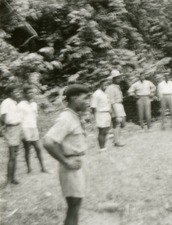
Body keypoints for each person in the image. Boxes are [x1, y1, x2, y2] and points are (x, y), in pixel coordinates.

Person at [43, 84, 89, 225]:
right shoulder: (66, 118)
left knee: (75, 206)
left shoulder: (74, 116)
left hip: (77, 165)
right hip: (71, 167)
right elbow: (48, 142)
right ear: (74, 98)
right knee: (73, 207)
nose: (87, 102)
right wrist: (66, 162)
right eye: (85, 98)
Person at [18, 85, 47, 173]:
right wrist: (22, 131)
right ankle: (29, 169)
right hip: (25, 128)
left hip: (33, 128)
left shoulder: (34, 104)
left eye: (32, 92)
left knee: (38, 148)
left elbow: (35, 116)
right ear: (25, 94)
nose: (31, 94)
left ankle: (43, 168)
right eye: (29, 92)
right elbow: (19, 119)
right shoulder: (21, 105)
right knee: (27, 150)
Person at [0, 84, 22, 185]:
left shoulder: (14, 102)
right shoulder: (6, 102)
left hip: (17, 129)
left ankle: (13, 178)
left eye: (18, 91)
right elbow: (3, 117)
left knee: (15, 155)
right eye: (15, 91)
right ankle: (9, 180)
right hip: (11, 129)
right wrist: (5, 127)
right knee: (12, 156)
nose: (17, 93)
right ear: (10, 93)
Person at [106, 70, 126, 147]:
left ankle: (115, 137)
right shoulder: (110, 88)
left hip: (120, 105)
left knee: (123, 123)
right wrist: (117, 114)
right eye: (118, 78)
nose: (120, 79)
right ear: (113, 79)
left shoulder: (117, 87)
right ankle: (116, 141)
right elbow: (112, 101)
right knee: (116, 123)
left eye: (119, 77)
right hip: (115, 106)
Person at [91, 79, 111, 151]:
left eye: (107, 85)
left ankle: (104, 146)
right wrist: (95, 116)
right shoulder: (96, 94)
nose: (106, 86)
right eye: (104, 85)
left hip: (106, 113)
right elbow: (93, 107)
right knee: (102, 131)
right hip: (100, 114)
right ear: (100, 85)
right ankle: (102, 148)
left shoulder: (105, 93)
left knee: (106, 130)